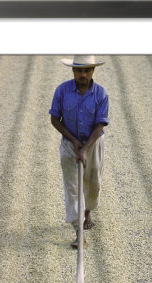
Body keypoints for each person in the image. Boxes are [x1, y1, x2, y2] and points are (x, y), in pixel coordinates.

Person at [49, 55, 109, 248]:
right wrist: (75, 142)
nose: (83, 74)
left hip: (94, 144)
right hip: (70, 144)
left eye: (87, 70)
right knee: (73, 189)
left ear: (93, 71)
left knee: (93, 183)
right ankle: (79, 232)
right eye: (79, 70)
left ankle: (88, 211)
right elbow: (54, 119)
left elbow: (100, 124)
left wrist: (85, 148)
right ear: (73, 71)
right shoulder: (62, 91)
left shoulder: (101, 94)